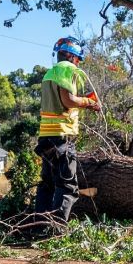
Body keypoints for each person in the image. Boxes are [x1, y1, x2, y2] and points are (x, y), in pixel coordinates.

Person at [34, 36, 100, 222]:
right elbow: (68, 100)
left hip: (46, 136)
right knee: (68, 186)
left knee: (47, 184)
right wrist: (89, 102)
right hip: (61, 137)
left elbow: (61, 101)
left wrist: (83, 100)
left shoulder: (50, 73)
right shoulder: (67, 70)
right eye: (78, 59)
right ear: (72, 56)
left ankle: (39, 225)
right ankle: (56, 228)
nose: (78, 63)